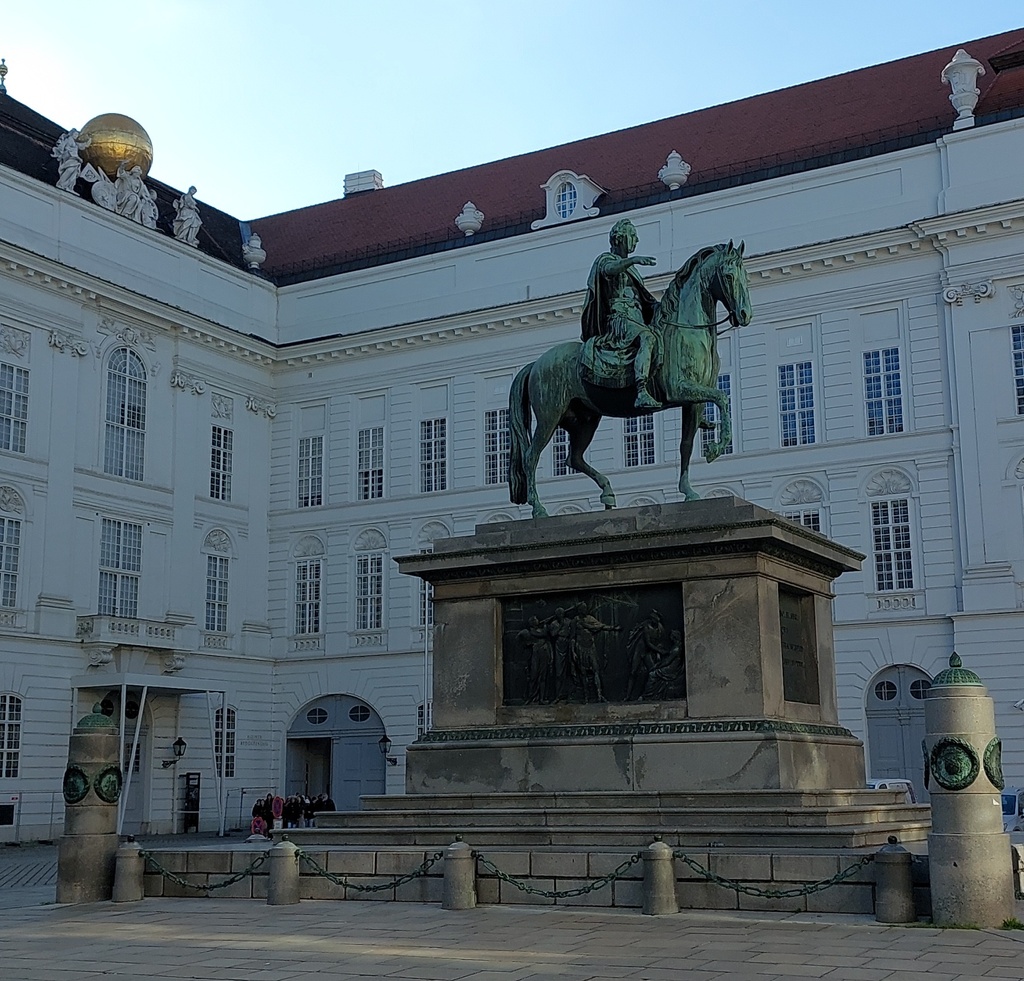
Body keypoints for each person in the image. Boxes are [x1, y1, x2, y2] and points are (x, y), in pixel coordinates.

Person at [580, 218, 661, 409]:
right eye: (632, 236)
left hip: (637, 320)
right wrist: (632, 260)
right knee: (648, 339)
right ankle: (641, 390)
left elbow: (645, 299)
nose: (636, 240)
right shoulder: (605, 260)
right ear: (619, 238)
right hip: (620, 321)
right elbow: (610, 270)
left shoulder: (631, 269)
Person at [52, 129, 90, 194]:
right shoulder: (68, 140)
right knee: (70, 170)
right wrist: (61, 153)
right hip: (69, 157)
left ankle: (69, 186)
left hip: (74, 159)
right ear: (71, 134)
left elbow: (82, 146)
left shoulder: (75, 143)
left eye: (77, 135)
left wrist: (88, 140)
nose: (76, 136)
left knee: (73, 171)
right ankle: (61, 184)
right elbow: (62, 147)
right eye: (75, 134)